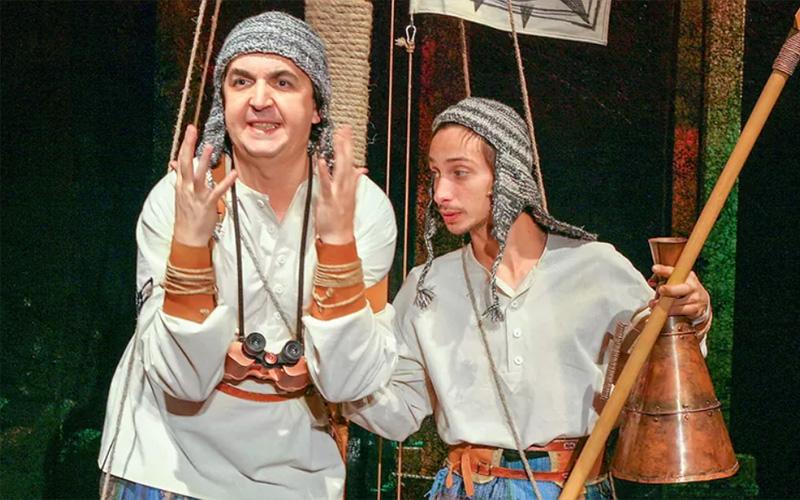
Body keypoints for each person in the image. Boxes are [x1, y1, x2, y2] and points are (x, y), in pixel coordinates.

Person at [345, 97, 711, 499]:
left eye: (460, 173)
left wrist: (691, 315)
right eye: (435, 174)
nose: (440, 193)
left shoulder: (596, 268)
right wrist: (333, 373)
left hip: (574, 486)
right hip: (470, 488)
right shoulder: (429, 284)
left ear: (508, 177)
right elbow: (399, 410)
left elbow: (663, 370)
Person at [98, 11, 397, 499]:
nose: (260, 100)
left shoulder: (363, 209)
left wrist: (337, 241)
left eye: (283, 81)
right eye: (241, 82)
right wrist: (191, 243)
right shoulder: (178, 196)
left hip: (295, 475)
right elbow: (182, 380)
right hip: (165, 463)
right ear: (224, 101)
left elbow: (346, 382)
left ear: (317, 107)